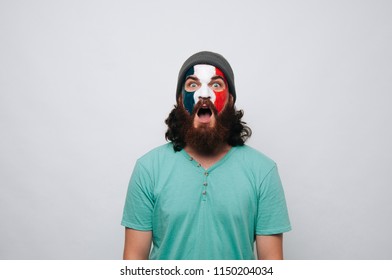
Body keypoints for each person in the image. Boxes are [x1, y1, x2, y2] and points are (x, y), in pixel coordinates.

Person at [121, 51, 291, 260]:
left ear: (230, 100)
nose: (204, 94)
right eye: (192, 85)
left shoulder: (263, 171)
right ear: (180, 100)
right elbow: (133, 264)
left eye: (216, 85)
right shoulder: (148, 169)